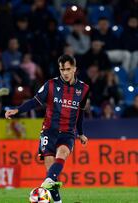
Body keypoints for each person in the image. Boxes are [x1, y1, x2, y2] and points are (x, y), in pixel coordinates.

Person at [5, 54, 89, 203]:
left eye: (68, 69)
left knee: (62, 154)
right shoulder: (50, 85)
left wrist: (81, 133)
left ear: (74, 69)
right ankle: (56, 199)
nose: (65, 73)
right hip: (49, 132)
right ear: (59, 69)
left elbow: (80, 113)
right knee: (52, 172)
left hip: (68, 133)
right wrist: (17, 110)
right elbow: (34, 102)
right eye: (62, 69)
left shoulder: (83, 89)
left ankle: (46, 184)